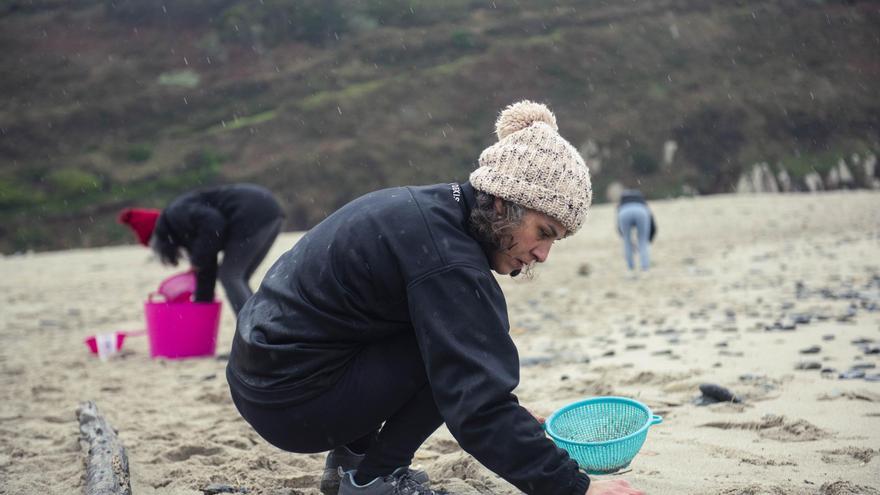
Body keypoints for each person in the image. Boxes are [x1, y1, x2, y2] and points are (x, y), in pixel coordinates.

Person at [226, 101, 643, 495]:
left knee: (455, 349)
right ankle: (376, 478)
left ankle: (351, 461)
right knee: (455, 360)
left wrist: (499, 401)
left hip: (263, 377)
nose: (543, 255)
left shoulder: (429, 212)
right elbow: (477, 406)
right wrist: (578, 488)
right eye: (545, 232)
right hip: (291, 400)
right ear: (502, 203)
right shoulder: (448, 263)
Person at [118, 183, 284, 315]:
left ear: (158, 238)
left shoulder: (176, 214)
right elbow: (207, 266)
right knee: (237, 277)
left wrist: (198, 260)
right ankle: (261, 332)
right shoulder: (181, 229)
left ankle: (252, 335)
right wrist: (202, 302)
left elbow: (214, 223)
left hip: (253, 212)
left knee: (230, 276)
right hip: (269, 210)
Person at [616, 189, 656, 273]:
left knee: (627, 242)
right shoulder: (642, 200)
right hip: (641, 211)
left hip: (624, 211)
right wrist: (650, 238)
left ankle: (630, 268)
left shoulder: (622, 200)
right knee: (642, 241)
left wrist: (622, 235)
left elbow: (618, 223)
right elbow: (651, 221)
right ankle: (644, 268)